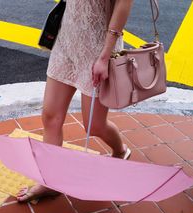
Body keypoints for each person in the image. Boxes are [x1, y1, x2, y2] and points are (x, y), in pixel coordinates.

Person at [17, 0, 134, 202]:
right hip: (66, 40)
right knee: (50, 116)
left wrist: (105, 57)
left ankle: (120, 150)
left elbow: (123, 5)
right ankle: (50, 183)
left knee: (94, 126)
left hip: (99, 49)